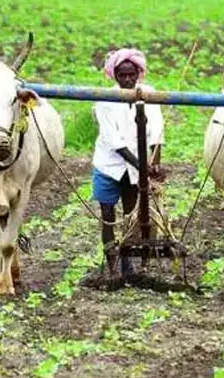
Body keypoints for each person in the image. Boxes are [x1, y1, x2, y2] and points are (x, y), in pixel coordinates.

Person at [91, 48, 165, 276]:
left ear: (138, 74)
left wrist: (155, 162)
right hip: (108, 166)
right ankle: (112, 266)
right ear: (114, 75)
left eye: (131, 74)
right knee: (107, 216)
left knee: (130, 216)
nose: (127, 80)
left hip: (135, 170)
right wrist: (143, 167)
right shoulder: (105, 100)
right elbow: (114, 140)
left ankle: (127, 264)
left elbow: (157, 131)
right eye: (122, 75)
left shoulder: (149, 95)